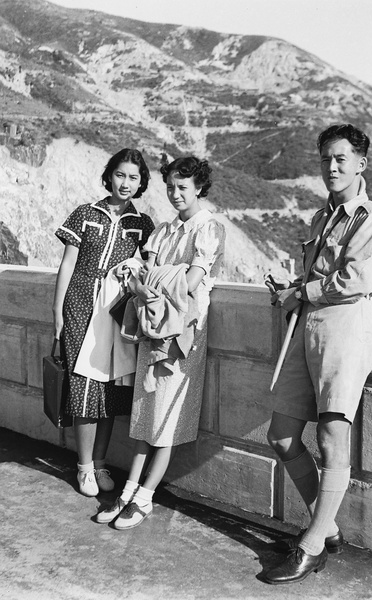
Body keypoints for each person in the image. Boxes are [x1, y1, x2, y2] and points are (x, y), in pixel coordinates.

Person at [262, 124, 372, 584]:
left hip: (344, 332)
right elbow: (318, 276)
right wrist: (293, 290)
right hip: (305, 330)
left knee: (330, 442)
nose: (331, 168)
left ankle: (312, 546)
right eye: (324, 160)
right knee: (280, 436)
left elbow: (357, 279)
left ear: (361, 163)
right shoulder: (322, 218)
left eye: (340, 159)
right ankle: (327, 525)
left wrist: (304, 288)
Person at [96, 155, 225, 529]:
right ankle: (127, 491)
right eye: (170, 186)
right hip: (153, 326)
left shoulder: (209, 229)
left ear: (199, 187)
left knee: (166, 416)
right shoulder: (165, 231)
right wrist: (160, 276)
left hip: (185, 334)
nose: (175, 194)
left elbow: (189, 284)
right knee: (144, 411)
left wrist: (152, 278)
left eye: (182, 187)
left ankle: (146, 497)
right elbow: (152, 274)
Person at [53, 148, 155, 497]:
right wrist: (58, 313)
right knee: (83, 387)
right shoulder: (85, 214)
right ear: (109, 175)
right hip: (81, 306)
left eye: (134, 178)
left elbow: (149, 268)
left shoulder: (142, 225)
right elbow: (67, 264)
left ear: (141, 183)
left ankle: (100, 463)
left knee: (109, 389)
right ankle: (83, 467)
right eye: (121, 175)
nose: (126, 183)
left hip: (116, 310)